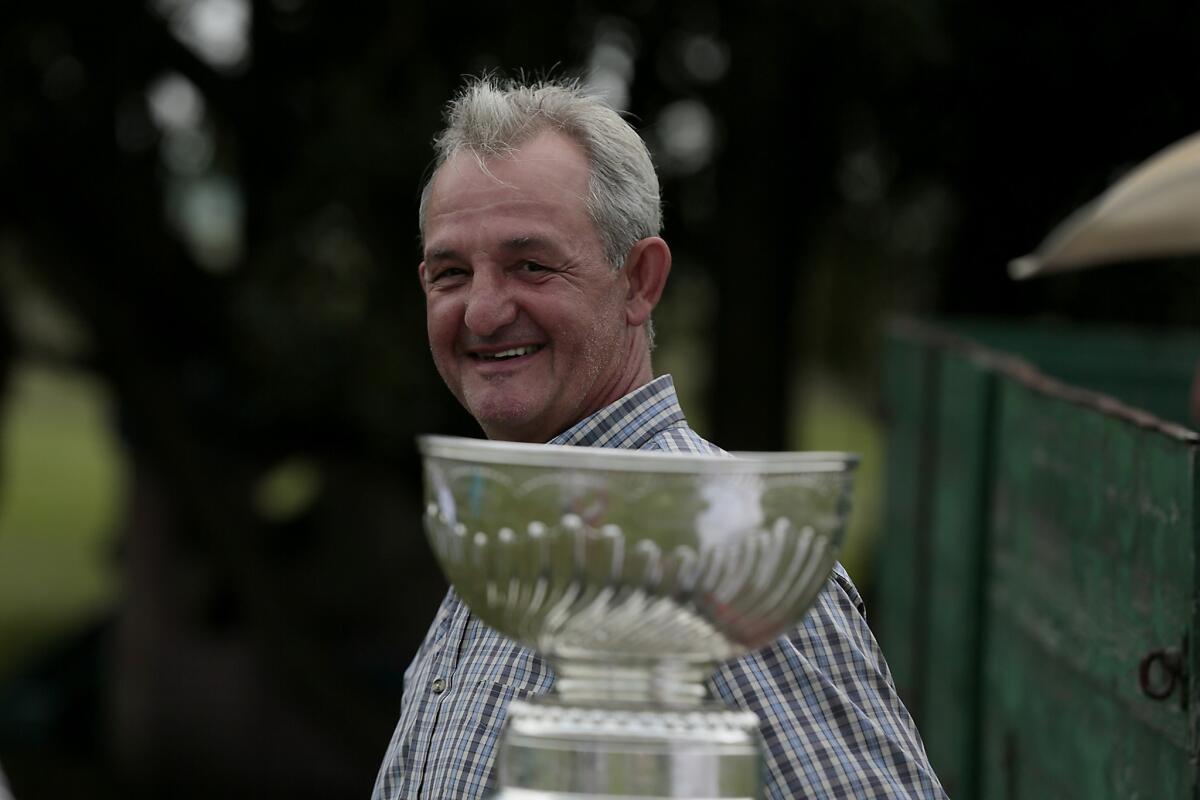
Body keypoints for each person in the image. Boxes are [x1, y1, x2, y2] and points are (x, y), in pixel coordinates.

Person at [371, 75, 946, 800]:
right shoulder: (500, 545)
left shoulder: (718, 559)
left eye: (531, 265)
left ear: (640, 281)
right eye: (451, 273)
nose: (482, 312)